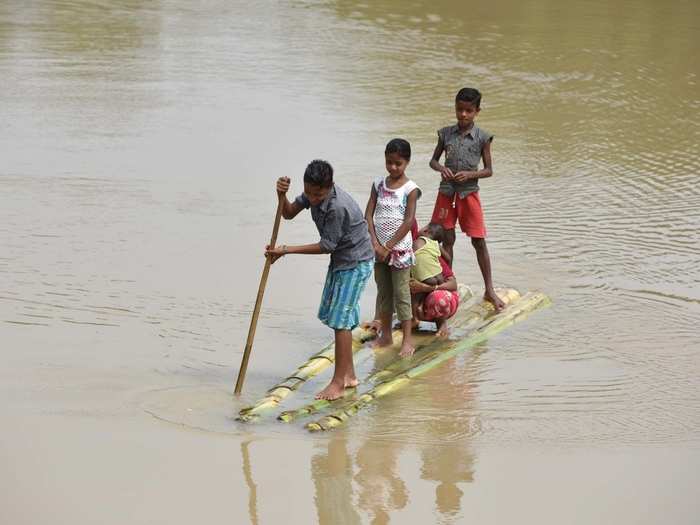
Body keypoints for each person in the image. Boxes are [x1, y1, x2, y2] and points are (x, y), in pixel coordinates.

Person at [266, 160, 374, 400]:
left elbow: (327, 245)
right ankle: (350, 376)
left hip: (356, 262)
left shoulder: (336, 207)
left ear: (330, 187)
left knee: (341, 321)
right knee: (336, 318)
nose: (313, 199)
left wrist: (285, 250)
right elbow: (289, 213)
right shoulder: (310, 193)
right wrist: (280, 195)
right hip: (341, 260)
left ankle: (338, 382)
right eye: (309, 193)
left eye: (318, 194)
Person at [429, 87, 505, 311]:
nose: (463, 115)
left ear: (477, 111)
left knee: (478, 241)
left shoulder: (483, 137)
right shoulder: (445, 134)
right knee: (445, 240)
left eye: (468, 111)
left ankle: (489, 290)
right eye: (459, 110)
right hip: (447, 192)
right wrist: (442, 168)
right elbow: (433, 161)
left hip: (469, 193)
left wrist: (470, 174)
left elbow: (489, 170)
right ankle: (446, 288)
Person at [365, 138, 421, 358]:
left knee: (402, 294)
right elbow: (368, 215)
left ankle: (407, 340)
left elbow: (408, 221)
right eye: (389, 162)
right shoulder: (378, 184)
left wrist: (388, 246)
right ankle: (386, 335)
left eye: (398, 163)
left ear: (407, 162)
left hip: (399, 251)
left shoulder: (411, 189)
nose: (393, 167)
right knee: (384, 293)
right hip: (378, 250)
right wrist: (375, 243)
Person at [409, 224, 460, 337]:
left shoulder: (416, 242)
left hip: (428, 282)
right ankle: (422, 311)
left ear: (426, 231)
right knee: (421, 290)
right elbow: (448, 257)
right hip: (438, 277)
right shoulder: (435, 246)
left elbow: (453, 284)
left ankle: (415, 319)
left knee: (415, 294)